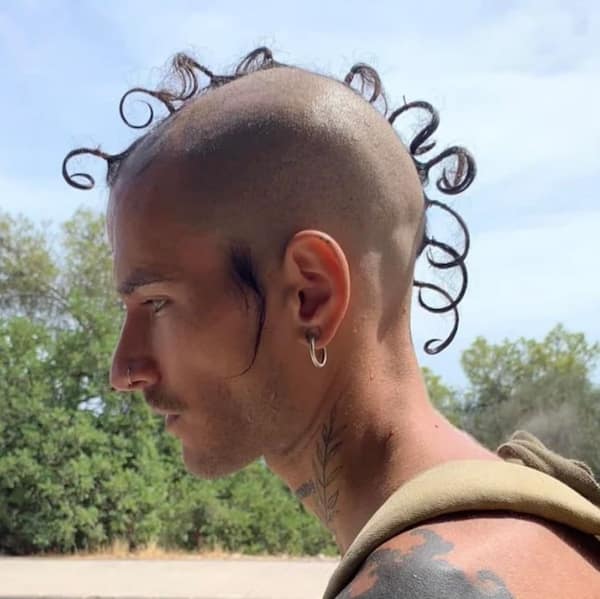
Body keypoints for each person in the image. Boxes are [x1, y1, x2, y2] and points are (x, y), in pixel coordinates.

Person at [63, 47, 600, 598]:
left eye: (157, 303)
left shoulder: (421, 586)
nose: (124, 370)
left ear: (311, 294)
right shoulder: (551, 527)